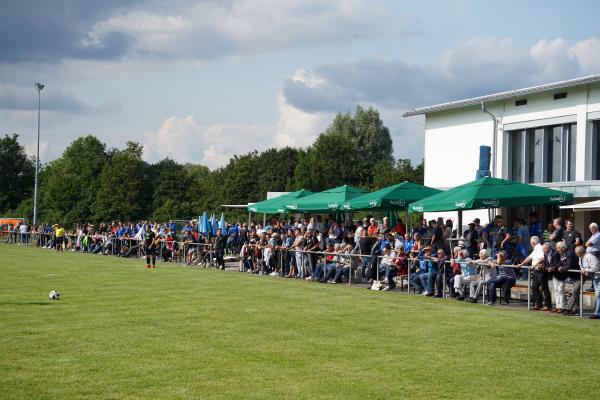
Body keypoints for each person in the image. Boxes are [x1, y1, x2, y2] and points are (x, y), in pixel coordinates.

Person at [550, 241, 571, 314]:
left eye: (557, 248)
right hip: (557, 274)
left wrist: (562, 268)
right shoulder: (561, 253)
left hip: (563, 275)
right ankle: (557, 306)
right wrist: (553, 268)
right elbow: (559, 263)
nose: (556, 249)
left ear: (562, 248)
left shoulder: (568, 253)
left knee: (560, 290)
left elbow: (569, 264)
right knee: (556, 290)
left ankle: (562, 307)